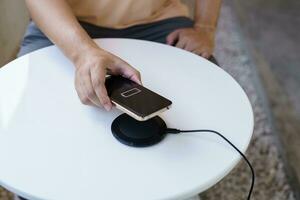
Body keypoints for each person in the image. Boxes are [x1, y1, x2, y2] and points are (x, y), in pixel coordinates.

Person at [20, 0, 221, 112]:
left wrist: (205, 28)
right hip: (66, 21)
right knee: (31, 108)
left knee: (209, 96)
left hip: (159, 21)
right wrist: (82, 53)